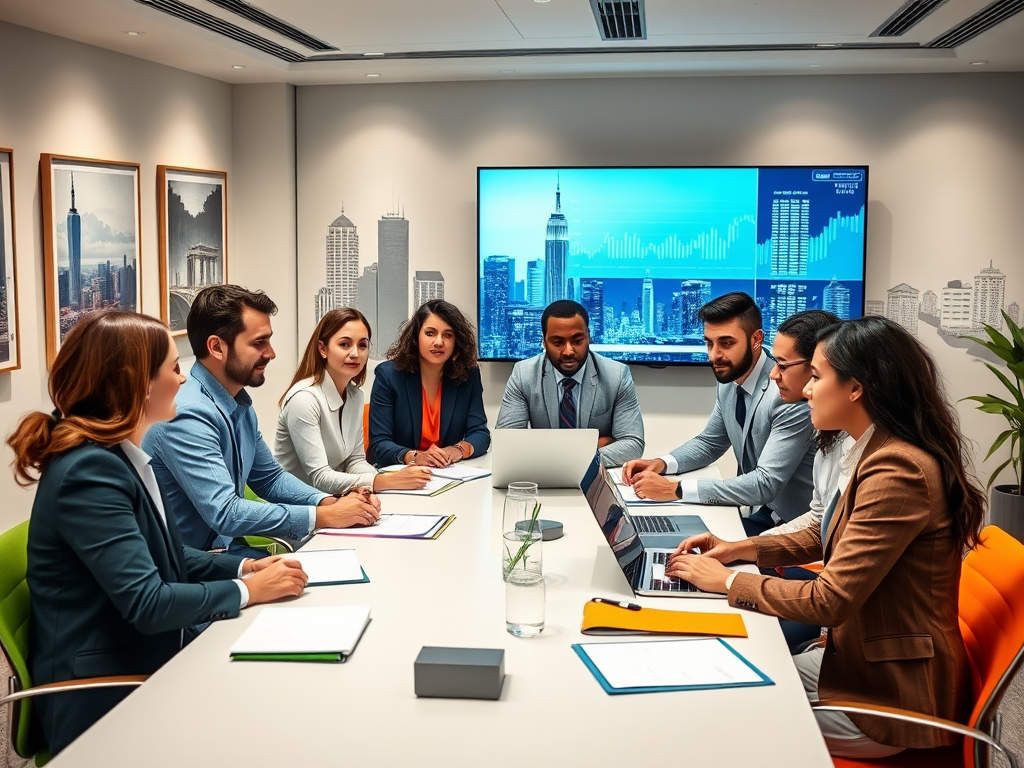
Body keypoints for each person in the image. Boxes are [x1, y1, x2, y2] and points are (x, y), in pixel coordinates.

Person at [665, 316, 985, 758]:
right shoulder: (871, 448)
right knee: (738, 671)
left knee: (725, 708)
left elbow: (829, 601)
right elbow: (824, 528)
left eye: (816, 376)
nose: (808, 389)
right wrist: (740, 549)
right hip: (855, 660)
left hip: (892, 699)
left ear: (856, 388)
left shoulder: (898, 469)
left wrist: (727, 581)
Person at [7, 311, 308, 756]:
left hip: (148, 657)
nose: (184, 380)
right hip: (105, 696)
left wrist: (244, 565)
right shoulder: (88, 472)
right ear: (137, 382)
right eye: (173, 368)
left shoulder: (117, 454)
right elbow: (148, 603)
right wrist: (246, 590)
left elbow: (167, 555)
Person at [144, 285, 380, 554]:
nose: (271, 352)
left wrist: (327, 502)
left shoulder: (238, 402)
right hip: (190, 566)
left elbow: (270, 479)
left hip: (225, 549)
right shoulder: (189, 414)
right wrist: (321, 516)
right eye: (259, 343)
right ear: (217, 348)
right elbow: (225, 512)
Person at [621, 292, 815, 535]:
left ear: (756, 339)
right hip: (760, 512)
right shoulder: (729, 379)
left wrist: (675, 489)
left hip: (795, 526)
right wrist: (661, 463)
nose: (714, 355)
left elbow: (765, 483)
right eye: (709, 343)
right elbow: (710, 443)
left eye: (726, 343)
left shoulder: (789, 390)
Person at [275, 308, 432, 493]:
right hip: (298, 508)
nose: (355, 353)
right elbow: (320, 478)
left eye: (362, 345)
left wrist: (372, 485)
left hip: (337, 500)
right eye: (344, 344)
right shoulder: (304, 400)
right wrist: (389, 482)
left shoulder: (355, 397)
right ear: (323, 349)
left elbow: (355, 461)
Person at [495, 300, 644, 467]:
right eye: (558, 343)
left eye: (577, 341)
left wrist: (546, 452)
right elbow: (505, 445)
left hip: (594, 482)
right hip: (543, 481)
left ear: (589, 336)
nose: (568, 351)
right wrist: (594, 446)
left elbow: (633, 445)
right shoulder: (523, 375)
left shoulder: (616, 375)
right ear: (544, 341)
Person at [368, 299, 490, 468]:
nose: (439, 342)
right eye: (430, 333)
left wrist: (458, 450)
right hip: (403, 474)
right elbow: (379, 444)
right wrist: (414, 457)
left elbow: (480, 433)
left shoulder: (468, 377)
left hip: (447, 473)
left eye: (448, 335)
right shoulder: (388, 376)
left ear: (457, 341)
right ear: (416, 337)